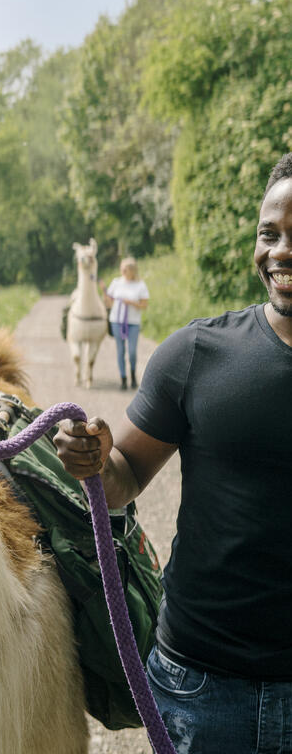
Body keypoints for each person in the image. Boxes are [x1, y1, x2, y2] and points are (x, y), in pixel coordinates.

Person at [54, 150, 292, 754]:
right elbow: (124, 475)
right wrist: (94, 460)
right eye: (270, 233)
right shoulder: (195, 355)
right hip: (201, 688)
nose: (281, 250)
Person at [101, 257, 149, 390]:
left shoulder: (140, 285)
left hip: (133, 322)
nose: (122, 270)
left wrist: (131, 302)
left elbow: (144, 305)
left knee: (132, 351)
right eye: (121, 268)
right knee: (120, 350)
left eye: (125, 269)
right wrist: (104, 293)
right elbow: (109, 302)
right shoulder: (116, 282)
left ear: (132, 271)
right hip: (117, 320)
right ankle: (123, 378)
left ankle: (133, 375)